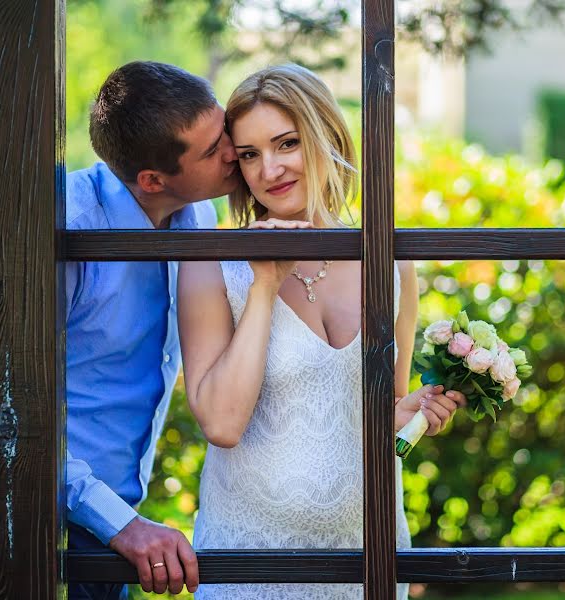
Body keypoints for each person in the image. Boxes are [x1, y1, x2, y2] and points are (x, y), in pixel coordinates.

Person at [178, 63, 466, 599]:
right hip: (252, 561)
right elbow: (221, 423)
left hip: (368, 553)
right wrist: (265, 284)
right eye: (249, 154)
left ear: (326, 136)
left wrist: (412, 417)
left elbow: (387, 413)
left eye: (286, 143)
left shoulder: (391, 263)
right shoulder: (213, 263)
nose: (269, 169)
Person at [65, 61, 239, 599]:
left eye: (224, 129)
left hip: (117, 516)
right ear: (151, 180)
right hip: (45, 515)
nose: (232, 150)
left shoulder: (200, 215)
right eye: (212, 151)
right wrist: (118, 523)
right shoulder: (66, 226)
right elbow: (3, 405)